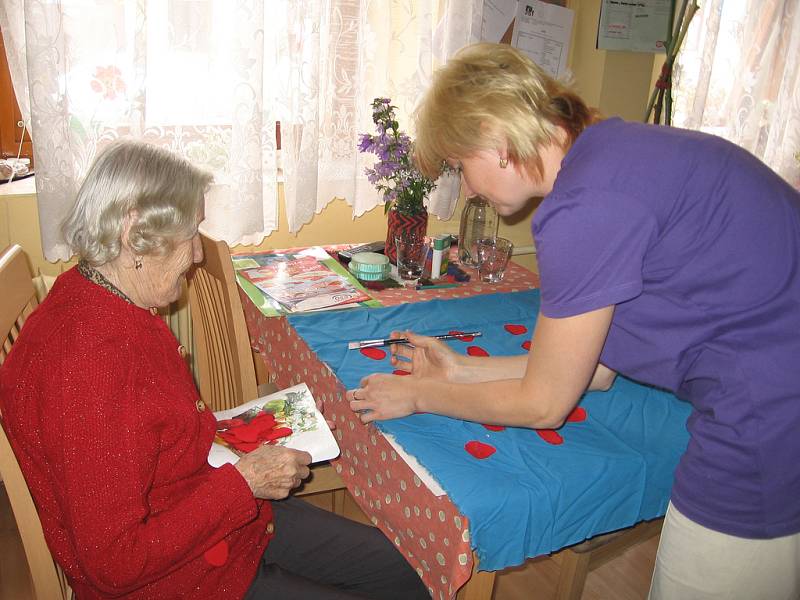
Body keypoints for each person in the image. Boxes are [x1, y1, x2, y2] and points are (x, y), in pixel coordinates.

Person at [347, 42, 800, 599]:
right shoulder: (610, 148)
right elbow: (597, 369)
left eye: (460, 167)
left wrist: (419, 396)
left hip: (773, 418)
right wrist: (459, 370)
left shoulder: (585, 207)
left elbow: (544, 404)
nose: (466, 187)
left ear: (496, 140)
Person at [0, 140, 428, 600]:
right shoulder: (89, 368)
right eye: (190, 234)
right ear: (133, 234)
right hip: (178, 578)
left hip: (209, 511)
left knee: (404, 571)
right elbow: (113, 562)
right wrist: (244, 482)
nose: (198, 256)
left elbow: (149, 433)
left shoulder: (100, 297)